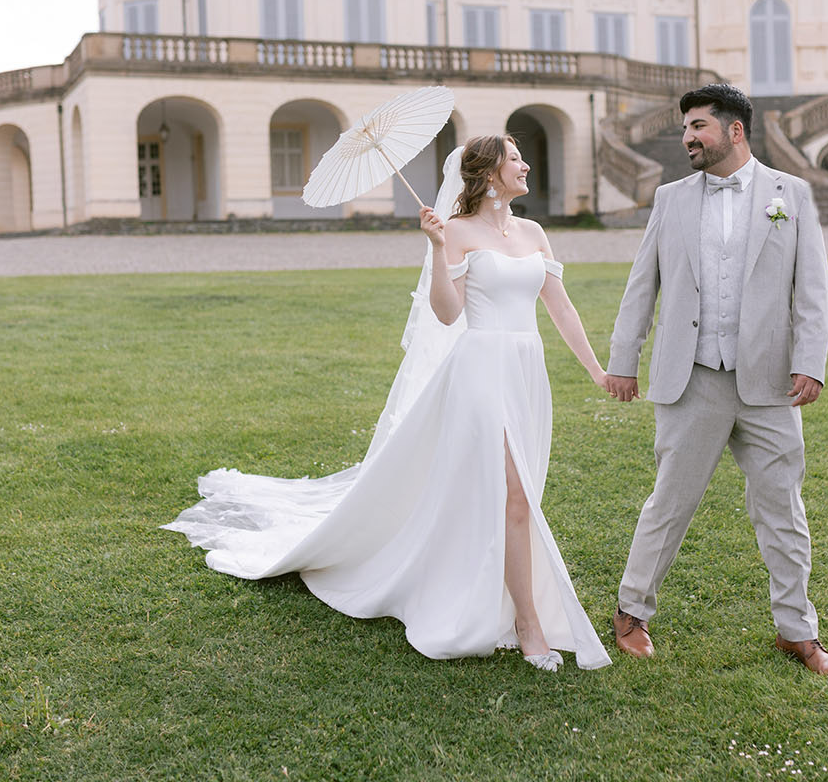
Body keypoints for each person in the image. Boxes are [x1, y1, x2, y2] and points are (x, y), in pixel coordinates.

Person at [164, 135, 613, 672]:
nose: (526, 165)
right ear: (490, 175)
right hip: (479, 371)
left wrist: (598, 371)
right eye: (515, 159)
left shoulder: (534, 232)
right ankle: (528, 622)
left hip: (526, 373)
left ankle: (490, 591)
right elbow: (447, 315)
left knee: (517, 493)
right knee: (515, 497)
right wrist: (434, 247)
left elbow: (560, 309)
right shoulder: (457, 232)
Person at [602, 83, 828, 678]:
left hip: (768, 383)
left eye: (698, 127)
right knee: (670, 502)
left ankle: (798, 632)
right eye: (685, 128)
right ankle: (631, 612)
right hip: (692, 379)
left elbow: (812, 288)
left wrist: (810, 360)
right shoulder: (670, 198)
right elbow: (643, 285)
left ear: (735, 131)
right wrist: (623, 359)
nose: (688, 137)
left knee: (782, 509)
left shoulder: (792, 196)